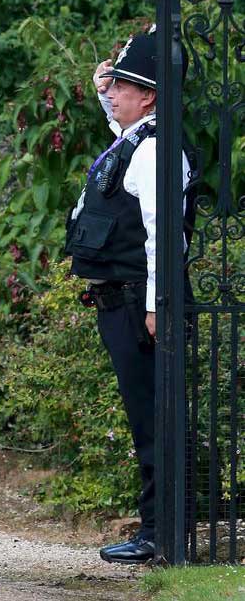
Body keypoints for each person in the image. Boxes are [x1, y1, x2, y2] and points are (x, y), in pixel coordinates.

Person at [65, 30, 191, 564]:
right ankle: (156, 529)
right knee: (145, 415)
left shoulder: (157, 149)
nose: (111, 91)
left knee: (153, 418)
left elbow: (165, 232)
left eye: (123, 85)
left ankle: (161, 534)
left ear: (150, 96)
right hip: (122, 298)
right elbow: (120, 134)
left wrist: (156, 305)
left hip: (140, 300)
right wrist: (104, 89)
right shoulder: (138, 139)